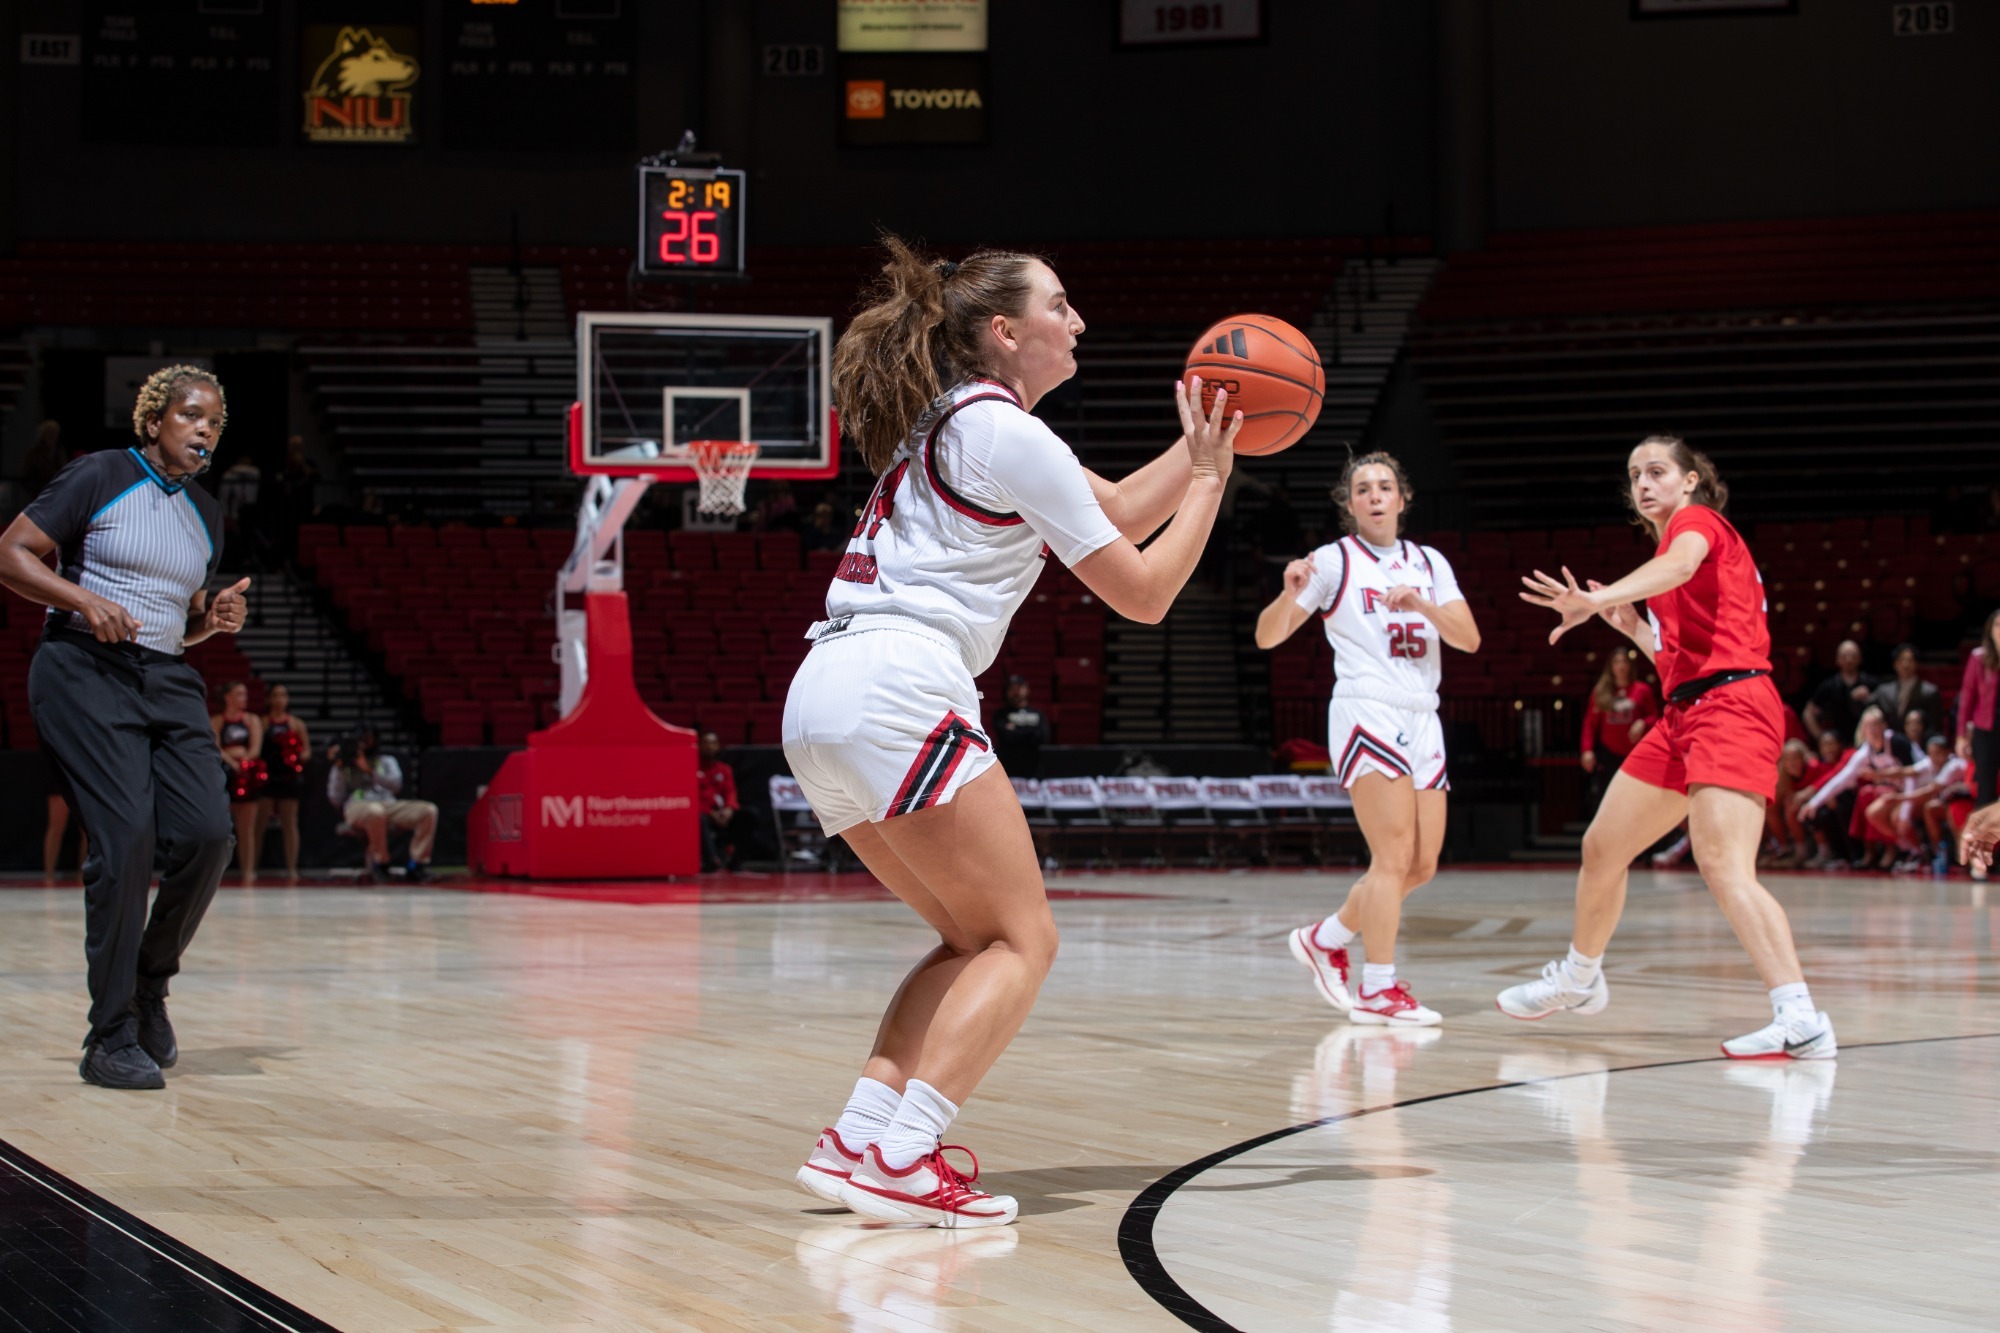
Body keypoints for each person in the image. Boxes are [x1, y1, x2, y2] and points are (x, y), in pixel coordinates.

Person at [785, 236, 1240, 1229]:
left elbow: (1110, 505)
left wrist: (1207, 446)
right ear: (1005, 331)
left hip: (823, 692)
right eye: (1060, 305)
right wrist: (1210, 485)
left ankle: (858, 1137)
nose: (1076, 322)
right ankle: (905, 1156)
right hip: (899, 686)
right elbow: (1146, 592)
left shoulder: (957, 421)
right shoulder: (1006, 433)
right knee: (1024, 939)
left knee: (966, 936)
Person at [1497, 434, 1835, 1060]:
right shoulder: (1668, 558)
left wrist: (1601, 596)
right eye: (1634, 475)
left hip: (1734, 706)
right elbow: (1679, 662)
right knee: (1602, 847)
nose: (1644, 483)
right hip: (1688, 710)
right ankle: (1579, 978)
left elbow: (1680, 565)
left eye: (1657, 471)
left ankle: (1801, 1016)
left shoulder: (1697, 524)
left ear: (1689, 481)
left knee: (1722, 864)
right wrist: (1633, 628)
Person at [0, 364, 248, 1090]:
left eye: (215, 422)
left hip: (166, 674)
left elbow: (182, 619)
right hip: (83, 668)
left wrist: (213, 619)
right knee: (126, 840)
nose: (205, 430)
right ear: (154, 421)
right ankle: (108, 1036)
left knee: (208, 837)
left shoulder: (207, 513)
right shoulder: (101, 474)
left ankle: (148, 983)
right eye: (192, 416)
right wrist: (81, 599)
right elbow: (11, 553)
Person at [1258, 451, 1480, 1028]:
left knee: (1423, 864)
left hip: (1422, 715)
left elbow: (1470, 639)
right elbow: (1267, 636)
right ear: (1350, 505)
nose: (1376, 495)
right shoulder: (1333, 562)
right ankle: (1378, 988)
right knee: (1393, 855)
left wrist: (1421, 602)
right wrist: (1289, 592)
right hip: (1367, 710)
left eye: (1385, 486)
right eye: (1363, 488)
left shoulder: (1430, 563)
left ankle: (1324, 937)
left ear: (1403, 499)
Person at [1801, 707, 1918, 871]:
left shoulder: (1897, 742)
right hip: (1895, 793)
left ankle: (1914, 851)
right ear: (1863, 730)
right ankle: (1903, 849)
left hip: (1918, 789)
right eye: (1868, 727)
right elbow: (1842, 778)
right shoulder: (1866, 750)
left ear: (1884, 726)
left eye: (1876, 726)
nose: (1872, 731)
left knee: (1898, 816)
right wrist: (1814, 803)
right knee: (1871, 806)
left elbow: (1912, 775)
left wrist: (1906, 807)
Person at [327, 724, 436, 882]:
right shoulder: (343, 765)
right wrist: (339, 767)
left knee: (428, 810)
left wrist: (370, 772)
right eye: (360, 741)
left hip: (388, 804)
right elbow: (335, 797)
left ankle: (416, 865)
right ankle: (381, 863)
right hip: (357, 806)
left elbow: (396, 785)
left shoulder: (386, 761)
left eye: (368, 740)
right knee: (375, 811)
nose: (363, 744)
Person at [1579, 651, 1658, 810]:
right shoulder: (1600, 692)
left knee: (1636, 798)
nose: (1621, 666)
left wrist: (1643, 722)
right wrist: (1587, 750)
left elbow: (1655, 717)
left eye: (1624, 662)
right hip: (1609, 753)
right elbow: (1590, 723)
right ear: (1611, 666)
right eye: (1617, 662)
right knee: (1608, 800)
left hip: (1634, 753)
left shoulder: (1641, 690)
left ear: (1630, 666)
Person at [210, 681, 265, 882]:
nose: (244, 697)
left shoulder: (252, 720)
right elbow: (215, 747)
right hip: (225, 773)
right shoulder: (217, 721)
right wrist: (232, 763)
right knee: (221, 827)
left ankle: (248, 872)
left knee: (246, 829)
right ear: (227, 697)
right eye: (239, 694)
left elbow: (256, 748)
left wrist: (243, 764)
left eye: (244, 693)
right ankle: (216, 871)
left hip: (246, 774)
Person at [255, 684, 310, 880]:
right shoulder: (262, 723)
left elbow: (307, 751)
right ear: (269, 699)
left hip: (288, 777)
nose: (280, 699)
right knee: (259, 824)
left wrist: (294, 756)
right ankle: (252, 868)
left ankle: (292, 869)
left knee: (289, 823)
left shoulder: (295, 724)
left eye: (283, 695)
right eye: (276, 695)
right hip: (268, 778)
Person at [1781, 730, 1852, 869]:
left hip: (1840, 799)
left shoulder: (1819, 766)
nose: (1828, 749)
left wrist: (1810, 793)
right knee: (1794, 808)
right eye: (1824, 745)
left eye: (1795, 758)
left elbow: (1832, 776)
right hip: (1820, 803)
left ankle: (1834, 853)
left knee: (1819, 812)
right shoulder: (1786, 777)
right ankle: (1801, 850)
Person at [1956, 609, 1999, 828]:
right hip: (1987, 731)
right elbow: (1967, 699)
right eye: (1998, 626)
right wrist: (1962, 736)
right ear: (1990, 630)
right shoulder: (1979, 657)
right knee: (1986, 791)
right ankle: (1985, 857)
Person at [1801, 640, 1876, 746]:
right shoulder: (1828, 686)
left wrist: (1870, 698)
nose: (1849, 660)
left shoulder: (1871, 683)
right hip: (1838, 746)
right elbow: (1808, 713)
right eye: (1844, 656)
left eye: (1853, 656)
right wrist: (1821, 737)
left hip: (1867, 742)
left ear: (1860, 658)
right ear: (1837, 660)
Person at [696, 730, 751, 871]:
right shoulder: (692, 768)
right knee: (699, 819)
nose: (709, 746)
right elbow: (692, 796)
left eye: (713, 743)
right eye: (705, 743)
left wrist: (729, 808)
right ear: (699, 746)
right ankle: (712, 859)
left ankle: (736, 861)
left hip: (723, 813)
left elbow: (730, 792)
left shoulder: (724, 769)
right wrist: (709, 812)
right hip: (705, 814)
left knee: (750, 816)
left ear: (718, 746)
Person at [1871, 644, 1943, 736]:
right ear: (1895, 664)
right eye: (1901, 660)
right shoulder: (1883, 691)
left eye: (1909, 660)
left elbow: (1935, 726)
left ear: (1916, 663)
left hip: (1919, 744)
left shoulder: (1930, 692)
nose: (1905, 664)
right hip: (1890, 742)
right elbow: (1864, 709)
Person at [992, 676, 1051, 778]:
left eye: (1019, 688)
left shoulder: (1037, 713)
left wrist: (1015, 731)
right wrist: (1031, 731)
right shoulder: (1000, 714)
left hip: (1034, 771)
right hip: (1008, 771)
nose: (1016, 692)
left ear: (1027, 690)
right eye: (1012, 689)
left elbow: (1043, 737)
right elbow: (1006, 737)